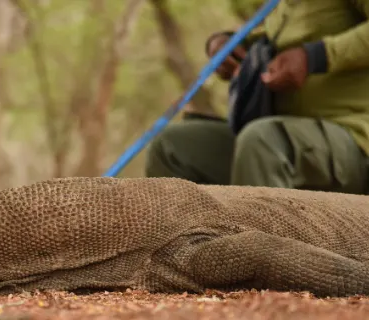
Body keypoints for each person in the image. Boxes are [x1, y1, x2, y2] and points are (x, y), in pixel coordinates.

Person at [144, 0, 369, 195]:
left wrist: (317, 57)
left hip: (351, 141)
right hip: (281, 140)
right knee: (171, 148)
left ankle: (258, 245)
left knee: (261, 141)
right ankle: (196, 245)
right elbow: (278, 39)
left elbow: (313, 49)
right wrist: (228, 45)